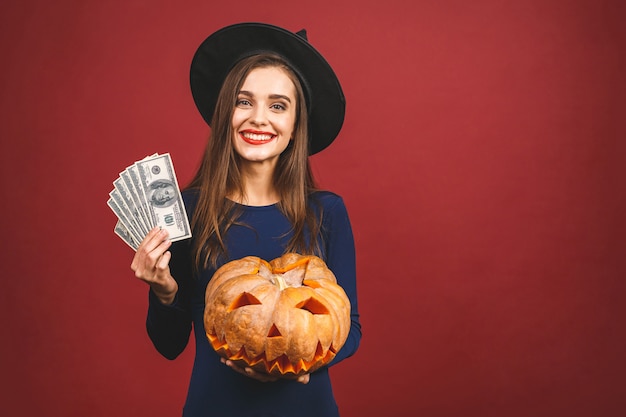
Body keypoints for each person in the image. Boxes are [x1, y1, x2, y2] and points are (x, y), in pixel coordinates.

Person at [131, 23, 361, 416]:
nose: (258, 118)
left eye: (277, 105)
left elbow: (349, 327)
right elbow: (169, 346)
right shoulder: (188, 210)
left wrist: (301, 366)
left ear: (294, 127)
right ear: (226, 114)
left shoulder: (327, 213)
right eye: (243, 101)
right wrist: (164, 290)